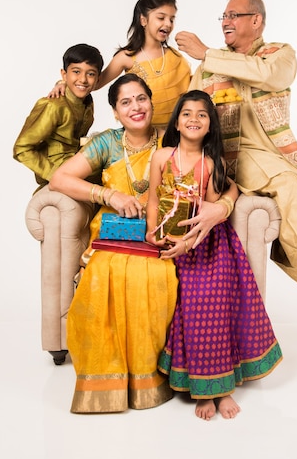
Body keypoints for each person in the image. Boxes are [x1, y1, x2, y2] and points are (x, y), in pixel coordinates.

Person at [175, 0, 297, 368]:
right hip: (231, 158)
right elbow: (190, 112)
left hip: (276, 157)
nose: (225, 21)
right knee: (290, 186)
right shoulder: (209, 66)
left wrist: (206, 52)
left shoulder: (279, 53)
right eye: (223, 15)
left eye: (234, 14)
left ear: (256, 20)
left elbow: (269, 75)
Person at [49, 74, 238, 414]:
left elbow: (224, 179)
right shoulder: (107, 143)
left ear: (152, 102)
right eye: (125, 102)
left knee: (154, 278)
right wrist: (109, 194)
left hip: (165, 234)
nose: (135, 107)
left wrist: (222, 207)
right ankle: (109, 382)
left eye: (141, 99)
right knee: (109, 277)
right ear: (115, 111)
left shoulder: (171, 138)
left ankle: (153, 378)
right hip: (116, 234)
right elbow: (59, 178)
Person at [145, 90, 283, 420]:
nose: (194, 119)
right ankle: (200, 387)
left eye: (202, 115)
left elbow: (208, 216)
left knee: (208, 299)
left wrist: (187, 244)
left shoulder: (210, 164)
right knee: (188, 304)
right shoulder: (161, 157)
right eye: (187, 113)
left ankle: (220, 391)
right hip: (168, 239)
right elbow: (152, 199)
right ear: (176, 122)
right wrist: (153, 233)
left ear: (210, 127)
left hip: (204, 244)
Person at [48, 0, 191, 129]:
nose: (168, 24)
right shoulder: (126, 57)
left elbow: (191, 90)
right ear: (143, 20)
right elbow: (95, 83)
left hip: (177, 132)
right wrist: (63, 83)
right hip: (143, 133)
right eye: (161, 18)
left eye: (172, 19)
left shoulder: (175, 56)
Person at [13, 43, 104, 190]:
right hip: (61, 172)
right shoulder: (53, 106)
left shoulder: (87, 102)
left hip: (78, 166)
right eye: (76, 71)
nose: (83, 79)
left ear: (98, 79)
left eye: (91, 74)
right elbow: (21, 148)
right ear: (64, 74)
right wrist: (56, 175)